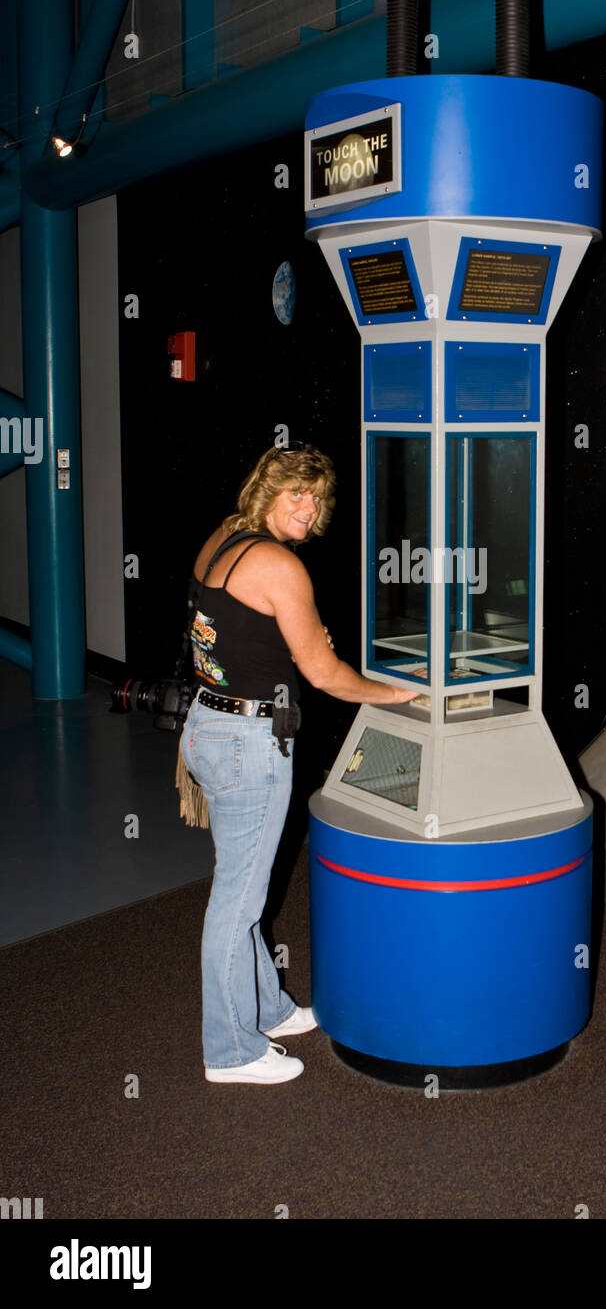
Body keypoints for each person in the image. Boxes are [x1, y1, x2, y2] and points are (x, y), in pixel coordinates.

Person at [179, 444, 418, 1085]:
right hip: (247, 743)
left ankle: (268, 1009)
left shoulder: (225, 536)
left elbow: (232, 627)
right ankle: (230, 1051)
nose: (308, 509)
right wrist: (397, 693)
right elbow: (322, 673)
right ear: (267, 491)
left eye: (316, 498)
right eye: (295, 494)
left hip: (206, 724)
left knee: (241, 888)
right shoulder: (282, 567)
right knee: (238, 900)